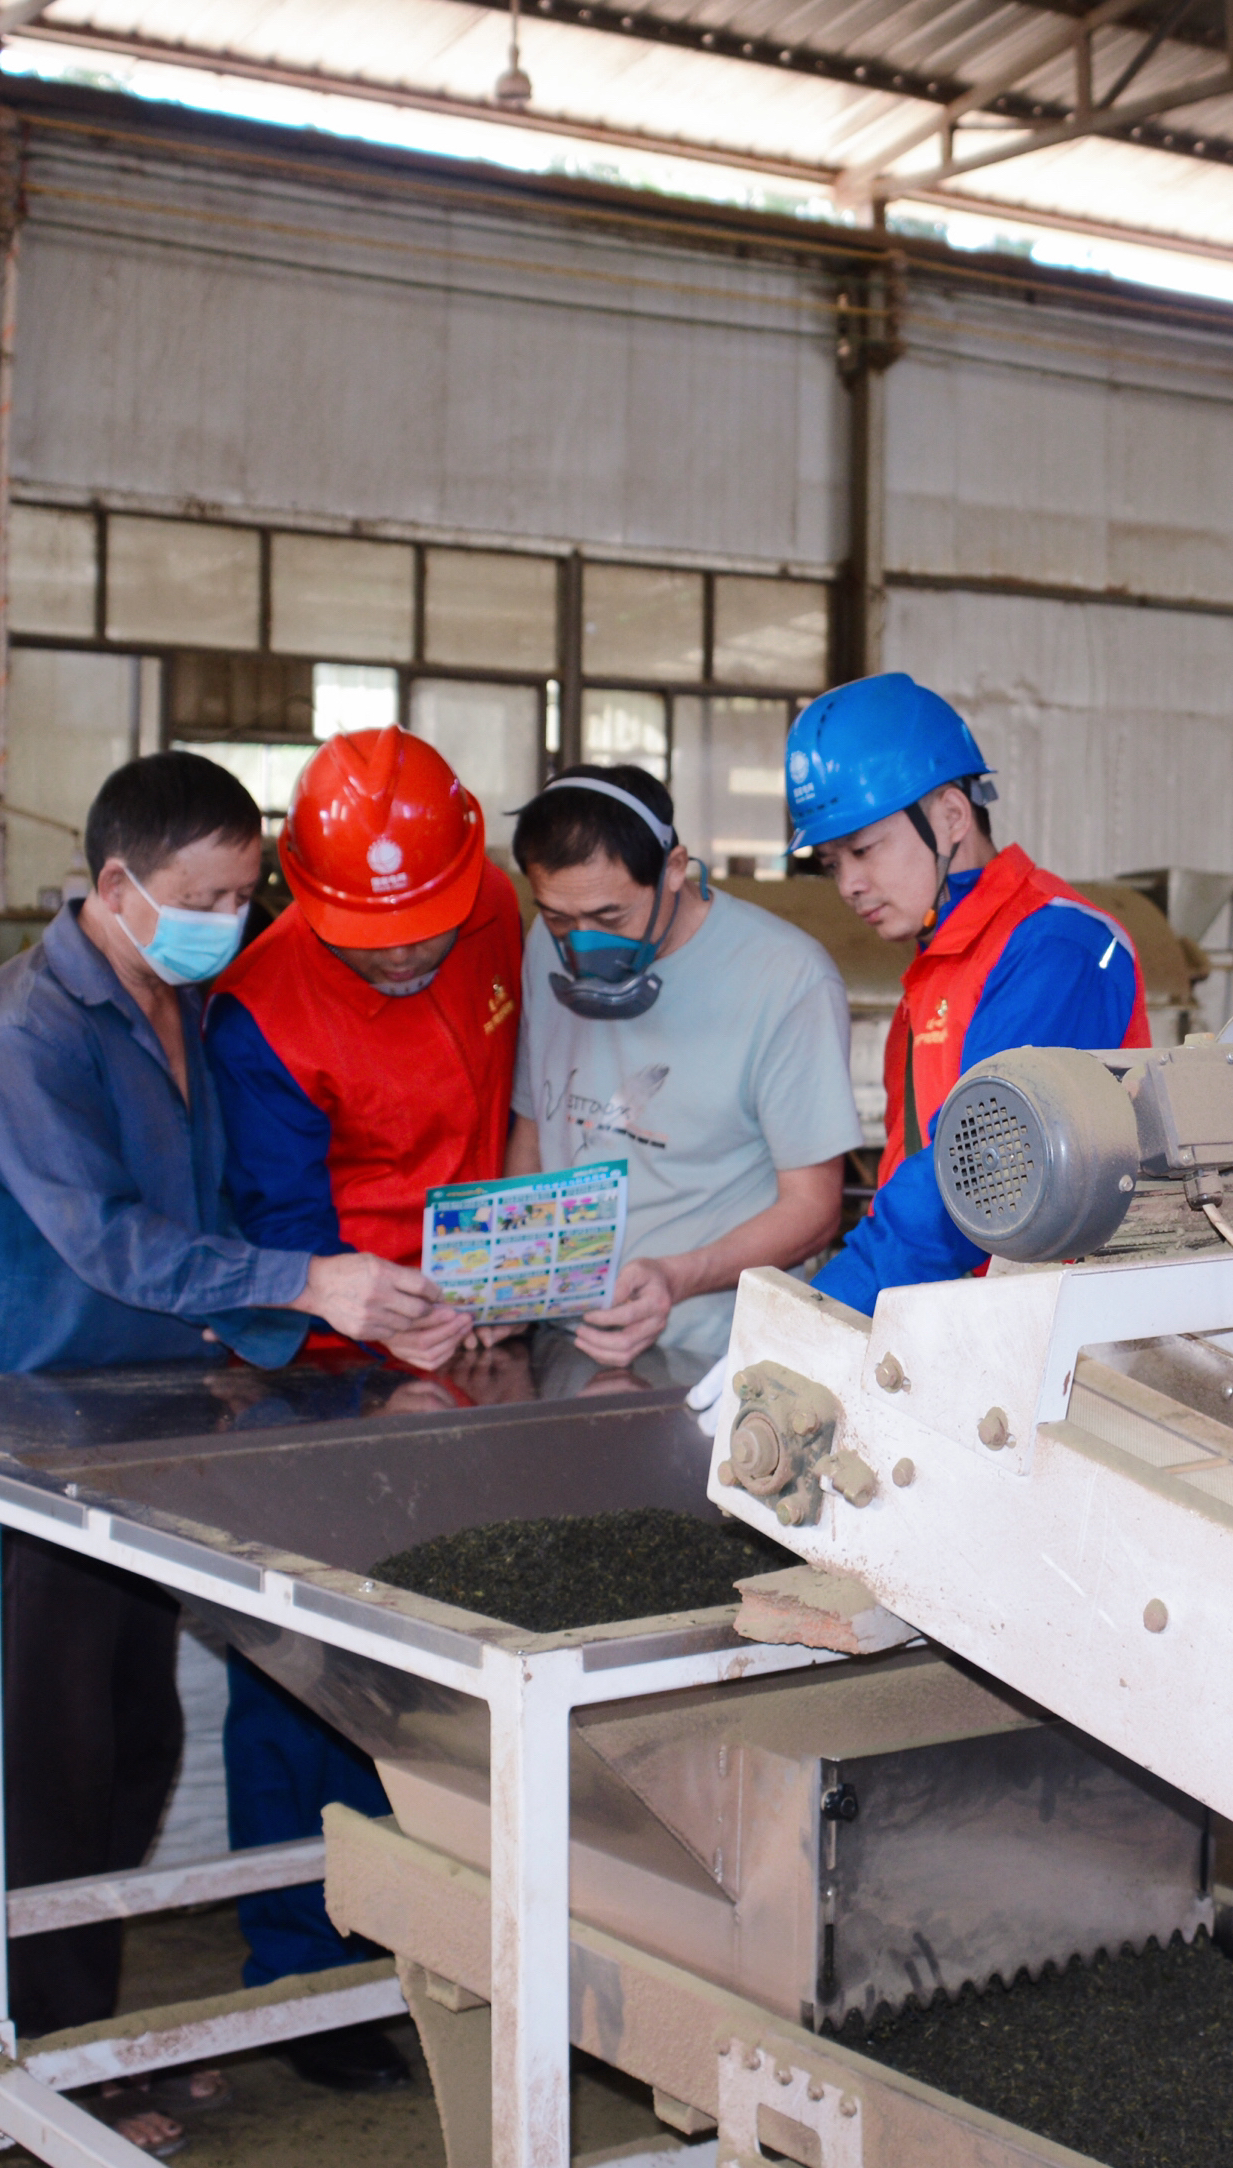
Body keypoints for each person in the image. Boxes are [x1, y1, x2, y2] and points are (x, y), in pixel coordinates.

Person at [0, 751, 435, 2150]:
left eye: (244, 889)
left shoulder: (183, 998)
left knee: (139, 1736)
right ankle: (53, 2056)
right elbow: (105, 1239)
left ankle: (106, 2039)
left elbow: (215, 1203)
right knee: (55, 1749)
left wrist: (360, 1299)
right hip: (41, 1422)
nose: (231, 915)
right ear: (116, 885)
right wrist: (305, 1282)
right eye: (207, 894)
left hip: (157, 1416)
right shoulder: (25, 1032)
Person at [207, 727, 523, 2046]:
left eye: (426, 931)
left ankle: (453, 1934)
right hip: (333, 1365)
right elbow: (280, 1231)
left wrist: (505, 1276)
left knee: (457, 1664)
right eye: (369, 939)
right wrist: (368, 1318)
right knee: (301, 1667)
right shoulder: (263, 1010)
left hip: (485, 1338)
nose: (402, 957)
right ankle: (305, 1976)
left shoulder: (501, 910)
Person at [784, 673, 1146, 1311]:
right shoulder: (937, 965)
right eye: (834, 863)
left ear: (951, 816)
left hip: (1043, 1327)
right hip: (959, 1319)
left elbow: (976, 1173)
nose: (849, 885)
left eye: (864, 849)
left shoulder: (1056, 948)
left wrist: (826, 1312)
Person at [509, 765, 855, 1392]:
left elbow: (813, 1208)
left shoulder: (785, 979)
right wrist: (507, 1287)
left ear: (674, 869)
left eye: (610, 916)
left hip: (718, 1361)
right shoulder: (543, 943)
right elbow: (535, 1130)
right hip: (561, 1344)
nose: (583, 945)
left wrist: (677, 1276)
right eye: (561, 917)